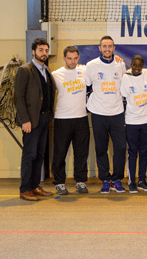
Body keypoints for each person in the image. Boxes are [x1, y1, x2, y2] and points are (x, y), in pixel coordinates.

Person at [84, 36, 127, 194]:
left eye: (110, 46)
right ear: (99, 48)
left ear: (114, 48)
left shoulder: (120, 64)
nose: (107, 49)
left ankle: (116, 179)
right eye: (104, 46)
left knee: (120, 147)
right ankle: (105, 180)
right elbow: (87, 87)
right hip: (98, 113)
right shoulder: (91, 65)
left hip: (117, 112)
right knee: (101, 148)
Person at [14, 38, 55, 201]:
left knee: (39, 155)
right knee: (29, 155)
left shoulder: (46, 70)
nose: (44, 53)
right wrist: (25, 120)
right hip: (30, 121)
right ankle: (25, 189)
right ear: (33, 51)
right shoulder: (24, 70)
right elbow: (18, 97)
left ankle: (34, 186)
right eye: (40, 50)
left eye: (46, 50)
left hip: (44, 119)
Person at [51, 46, 90, 195]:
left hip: (81, 118)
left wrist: (118, 59)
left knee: (81, 152)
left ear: (78, 58)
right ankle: (60, 183)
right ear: (64, 58)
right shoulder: (56, 75)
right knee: (60, 152)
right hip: (62, 119)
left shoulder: (84, 71)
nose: (72, 61)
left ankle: (80, 181)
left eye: (75, 58)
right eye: (69, 58)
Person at [120, 55, 147, 194]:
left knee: (144, 152)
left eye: (139, 65)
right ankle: (132, 182)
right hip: (132, 121)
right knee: (132, 152)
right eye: (134, 65)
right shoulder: (125, 78)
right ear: (131, 64)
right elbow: (123, 96)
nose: (137, 68)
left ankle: (142, 180)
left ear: (143, 65)